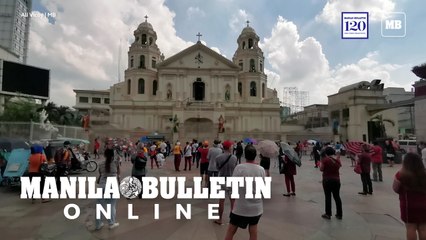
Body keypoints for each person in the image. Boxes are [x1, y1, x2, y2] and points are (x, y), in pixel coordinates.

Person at [224, 144, 266, 240]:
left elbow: (232, 187)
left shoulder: (239, 168)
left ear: (244, 155)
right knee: (253, 230)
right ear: (255, 155)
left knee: (231, 230)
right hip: (256, 208)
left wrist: (233, 203)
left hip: (240, 206)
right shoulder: (261, 170)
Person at [393, 153, 426, 240]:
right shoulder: (424, 174)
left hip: (408, 206)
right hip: (424, 205)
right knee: (423, 229)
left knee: (411, 228)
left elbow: (395, 189)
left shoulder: (400, 175)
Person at [95, 139, 120, 230]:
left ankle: (98, 224)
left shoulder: (101, 163)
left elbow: (100, 174)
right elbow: (117, 158)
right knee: (111, 205)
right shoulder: (116, 162)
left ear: (104, 155)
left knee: (100, 206)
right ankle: (111, 223)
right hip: (112, 184)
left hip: (102, 184)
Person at [214, 140, 237, 225]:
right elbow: (235, 168)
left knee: (221, 200)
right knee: (232, 200)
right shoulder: (234, 158)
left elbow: (217, 168)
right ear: (229, 147)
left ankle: (220, 219)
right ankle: (233, 219)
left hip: (221, 179)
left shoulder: (218, 157)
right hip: (231, 179)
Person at [320, 147, 342, 220]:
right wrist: (338, 157)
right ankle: (339, 214)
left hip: (327, 180)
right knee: (337, 197)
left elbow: (321, 169)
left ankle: (328, 214)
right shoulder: (337, 160)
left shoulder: (325, 160)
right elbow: (339, 166)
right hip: (336, 180)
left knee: (328, 197)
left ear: (326, 153)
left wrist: (321, 162)